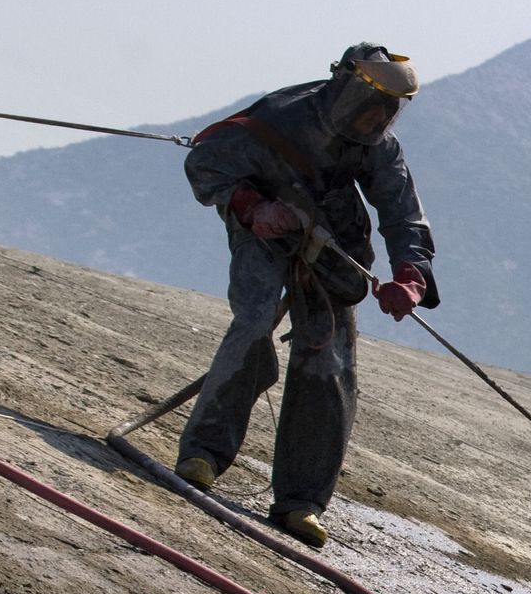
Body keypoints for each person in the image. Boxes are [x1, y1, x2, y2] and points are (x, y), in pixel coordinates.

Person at [174, 43, 438, 548]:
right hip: (266, 229)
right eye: (370, 101)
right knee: (253, 321)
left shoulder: (379, 145)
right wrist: (251, 207)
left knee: (329, 359)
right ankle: (203, 453)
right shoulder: (279, 118)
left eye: (390, 108)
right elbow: (206, 165)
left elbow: (403, 215)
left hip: (334, 239)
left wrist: (410, 275)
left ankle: (302, 501)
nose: (377, 117)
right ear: (345, 87)